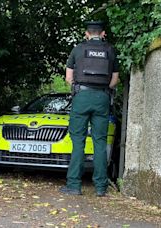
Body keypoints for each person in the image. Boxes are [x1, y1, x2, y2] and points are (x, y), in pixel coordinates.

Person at [60, 21, 120, 196]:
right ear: (103, 34)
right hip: (102, 98)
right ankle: (101, 188)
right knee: (100, 142)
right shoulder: (110, 51)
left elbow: (68, 77)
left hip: (82, 97)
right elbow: (115, 80)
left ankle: (74, 186)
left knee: (78, 141)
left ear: (87, 33)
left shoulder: (78, 49)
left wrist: (80, 88)